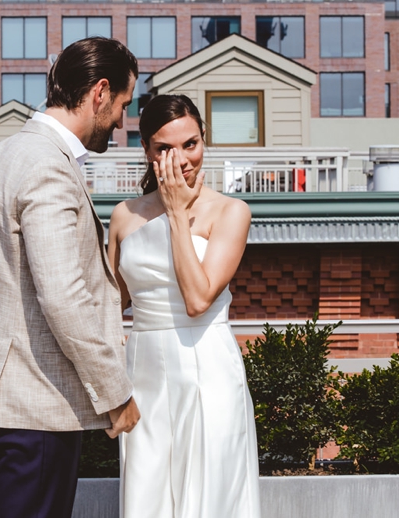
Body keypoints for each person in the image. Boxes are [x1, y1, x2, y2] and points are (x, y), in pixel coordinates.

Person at [0, 37, 142, 518]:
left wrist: (6, 342)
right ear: (99, 92)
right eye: (123, 104)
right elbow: (63, 297)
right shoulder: (48, 169)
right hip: (35, 407)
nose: (122, 121)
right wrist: (115, 394)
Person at [108, 93, 260, 518]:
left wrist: (176, 215)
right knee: (147, 492)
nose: (182, 159)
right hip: (144, 372)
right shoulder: (124, 215)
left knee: (210, 493)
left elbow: (197, 299)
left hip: (206, 365)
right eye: (165, 148)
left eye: (190, 144)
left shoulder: (231, 212)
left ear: (204, 140)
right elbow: (108, 306)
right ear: (146, 151)